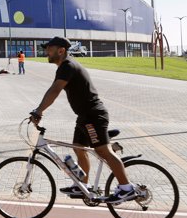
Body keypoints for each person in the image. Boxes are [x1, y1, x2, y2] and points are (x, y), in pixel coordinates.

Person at [29, 36, 135, 204]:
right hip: (84, 116)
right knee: (79, 148)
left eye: (49, 49)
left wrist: (39, 111)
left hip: (93, 115)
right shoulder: (66, 66)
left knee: (103, 151)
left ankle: (126, 188)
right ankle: (81, 185)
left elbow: (55, 90)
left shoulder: (67, 66)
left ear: (61, 50)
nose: (46, 52)